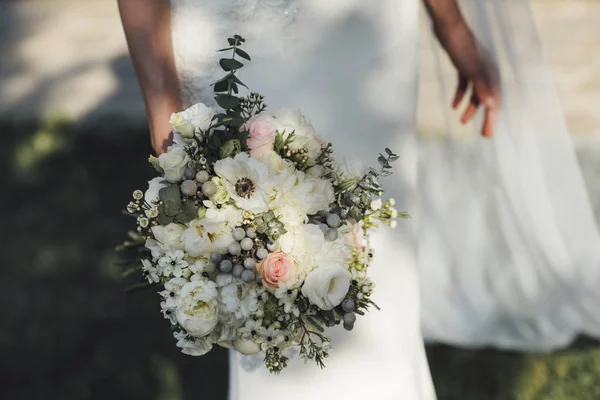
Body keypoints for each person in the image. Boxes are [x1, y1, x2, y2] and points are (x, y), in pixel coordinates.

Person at [118, 0, 600, 398]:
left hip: (363, 34)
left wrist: (450, 23)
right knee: (258, 272)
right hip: (230, 26)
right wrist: (170, 127)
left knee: (375, 271)